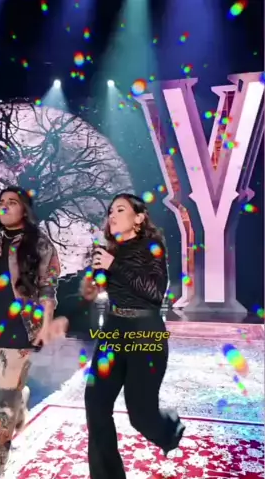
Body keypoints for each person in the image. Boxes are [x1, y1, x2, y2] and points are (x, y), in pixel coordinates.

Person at [81, 193, 185, 479]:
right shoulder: (111, 250)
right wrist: (97, 274)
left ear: (138, 218)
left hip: (145, 332)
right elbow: (104, 289)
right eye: (110, 211)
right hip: (113, 329)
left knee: (140, 416)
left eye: (120, 209)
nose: (112, 215)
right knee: (96, 404)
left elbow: (154, 292)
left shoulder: (152, 247)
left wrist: (113, 265)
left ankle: (169, 429)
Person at [0, 186, 68, 479]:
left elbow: (48, 286)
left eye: (12, 202)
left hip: (17, 332)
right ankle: (19, 400)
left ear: (24, 209)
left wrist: (46, 323)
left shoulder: (39, 244)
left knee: (0, 411)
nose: (4, 206)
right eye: (1, 202)